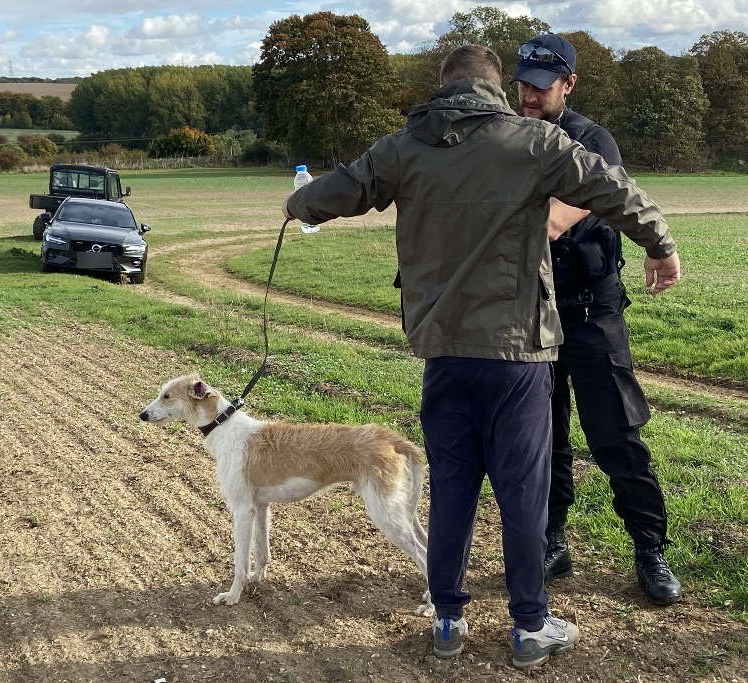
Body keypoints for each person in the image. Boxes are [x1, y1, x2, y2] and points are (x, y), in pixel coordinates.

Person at [283, 45, 678, 670]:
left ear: (443, 90)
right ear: (498, 89)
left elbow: (338, 192)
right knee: (524, 493)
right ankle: (529, 626)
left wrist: (296, 205)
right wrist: (660, 244)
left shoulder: (401, 149)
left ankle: (448, 618)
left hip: (443, 351)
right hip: (517, 354)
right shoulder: (535, 144)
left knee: (455, 488)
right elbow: (616, 190)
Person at [511, 32, 683, 605]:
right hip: (534, 314)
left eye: (540, 88)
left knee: (616, 433)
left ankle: (649, 550)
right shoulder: (510, 139)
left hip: (591, 312)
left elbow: (558, 219)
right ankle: (553, 540)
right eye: (522, 85)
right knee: (546, 435)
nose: (528, 98)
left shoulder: (592, 141)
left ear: (568, 83)